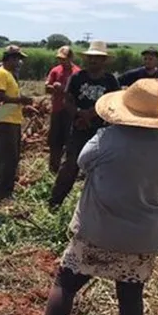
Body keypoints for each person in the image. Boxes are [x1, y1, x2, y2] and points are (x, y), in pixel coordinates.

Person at [16, 79, 158, 315]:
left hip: (99, 228)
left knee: (66, 282)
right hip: (143, 235)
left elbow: (83, 164)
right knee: (130, 293)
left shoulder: (106, 140)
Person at [49, 40, 120, 210]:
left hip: (103, 131)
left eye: (97, 58)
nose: (93, 61)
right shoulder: (77, 77)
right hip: (79, 128)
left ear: (104, 60)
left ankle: (99, 206)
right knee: (70, 165)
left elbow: (115, 102)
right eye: (91, 58)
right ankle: (55, 203)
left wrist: (93, 113)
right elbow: (68, 99)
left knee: (103, 169)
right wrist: (79, 114)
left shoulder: (110, 80)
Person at [0, 45, 33, 204]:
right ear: (9, 59)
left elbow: (10, 96)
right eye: (17, 59)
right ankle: (4, 194)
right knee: (9, 158)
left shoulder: (10, 74)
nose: (19, 62)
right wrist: (21, 100)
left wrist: (23, 101)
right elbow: (0, 97)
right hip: (5, 119)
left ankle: (1, 190)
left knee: (8, 158)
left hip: (13, 119)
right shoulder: (1, 73)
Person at [45, 45, 79, 173]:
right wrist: (54, 87)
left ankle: (68, 170)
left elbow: (77, 94)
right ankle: (53, 169)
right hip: (57, 110)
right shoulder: (55, 71)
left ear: (70, 58)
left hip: (71, 111)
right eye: (59, 59)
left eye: (63, 59)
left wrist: (63, 89)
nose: (61, 61)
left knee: (70, 141)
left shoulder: (77, 73)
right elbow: (47, 88)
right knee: (55, 141)